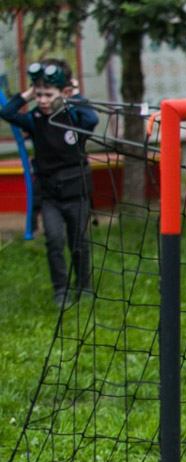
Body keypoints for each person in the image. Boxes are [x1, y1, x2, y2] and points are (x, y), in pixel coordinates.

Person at [0, 58, 99, 307]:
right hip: (50, 194)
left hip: (76, 191)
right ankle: (60, 290)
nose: (43, 100)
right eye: (39, 94)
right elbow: (7, 112)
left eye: (48, 94)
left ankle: (83, 286)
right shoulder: (34, 118)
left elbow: (92, 119)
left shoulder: (74, 116)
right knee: (54, 239)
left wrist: (73, 94)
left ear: (63, 92)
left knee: (79, 241)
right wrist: (28, 94)